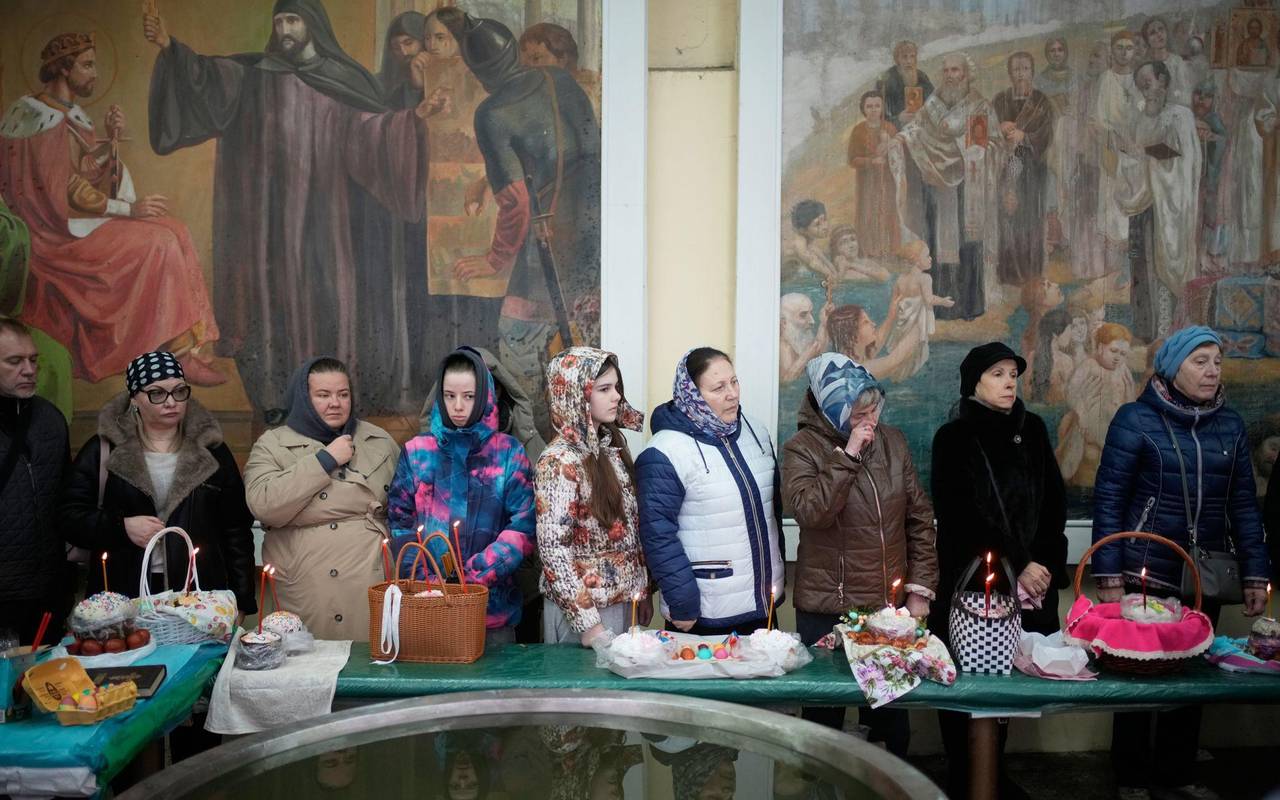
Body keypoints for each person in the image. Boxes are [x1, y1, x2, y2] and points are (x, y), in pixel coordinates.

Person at [145, 0, 431, 418]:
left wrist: (411, 119)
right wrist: (171, 46)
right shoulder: (254, 75)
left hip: (329, 221)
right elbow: (207, 79)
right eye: (280, 20)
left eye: (293, 19)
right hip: (270, 222)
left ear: (312, 25)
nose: (285, 29)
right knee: (271, 303)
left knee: (332, 299)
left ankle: (335, 401)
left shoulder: (344, 79)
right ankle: (278, 399)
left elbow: (371, 135)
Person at [1092, 326, 1269, 798]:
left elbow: (1244, 506)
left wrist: (1256, 572)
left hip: (1203, 575)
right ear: (1173, 367)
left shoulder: (1229, 425)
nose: (1212, 371)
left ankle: (1177, 773)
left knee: (1193, 673)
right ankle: (1130, 776)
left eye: (1217, 361)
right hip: (1144, 572)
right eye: (1200, 361)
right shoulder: (1135, 420)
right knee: (1137, 676)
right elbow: (1109, 499)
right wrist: (1107, 575)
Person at [0, 32, 224, 387]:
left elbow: (84, 174)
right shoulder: (38, 119)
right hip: (52, 233)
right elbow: (65, 191)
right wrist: (129, 209)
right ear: (62, 68)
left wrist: (109, 139)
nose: (95, 73)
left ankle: (193, 347)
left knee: (176, 229)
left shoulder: (69, 114)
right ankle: (177, 354)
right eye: (87, 64)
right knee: (158, 241)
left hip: (72, 219)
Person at [445, 12, 602, 441]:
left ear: (478, 73)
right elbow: (567, 152)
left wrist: (494, 260)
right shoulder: (559, 80)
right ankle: (587, 439)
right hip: (597, 222)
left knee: (516, 341)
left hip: (551, 237)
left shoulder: (492, 112)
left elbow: (515, 202)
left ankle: (540, 445)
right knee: (589, 338)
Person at [929, 342, 1067, 799]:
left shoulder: (1035, 430)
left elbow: (1054, 504)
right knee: (967, 676)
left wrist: (1043, 562)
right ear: (974, 384)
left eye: (1013, 374)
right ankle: (964, 775)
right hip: (973, 583)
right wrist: (1018, 562)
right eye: (997, 375)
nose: (1009, 383)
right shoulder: (954, 438)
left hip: (1031, 581)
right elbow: (962, 515)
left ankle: (993, 770)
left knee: (1008, 678)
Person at [782, 353, 937, 757]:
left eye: (874, 411)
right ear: (833, 410)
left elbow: (919, 519)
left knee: (890, 730)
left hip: (885, 610)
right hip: (825, 609)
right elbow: (811, 513)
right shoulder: (801, 449)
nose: (870, 422)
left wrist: (920, 590)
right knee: (823, 728)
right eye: (858, 414)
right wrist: (848, 456)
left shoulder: (894, 441)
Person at [61, 352, 256, 614]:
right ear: (134, 399)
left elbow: (236, 530)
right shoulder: (104, 450)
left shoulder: (212, 451)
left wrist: (241, 600)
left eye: (179, 391)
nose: (171, 402)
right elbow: (68, 517)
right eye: (157, 393)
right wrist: (121, 527)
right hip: (122, 592)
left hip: (198, 592)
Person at [243, 357, 400, 640]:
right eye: (323, 395)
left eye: (343, 394)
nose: (335, 403)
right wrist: (324, 461)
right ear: (304, 399)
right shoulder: (272, 444)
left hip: (370, 576)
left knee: (372, 667)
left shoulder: (379, 441)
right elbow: (263, 504)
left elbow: (404, 507)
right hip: (306, 584)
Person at [388, 347, 536, 645]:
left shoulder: (508, 453)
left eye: (468, 396)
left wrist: (477, 574)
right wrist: (430, 579)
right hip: (428, 606)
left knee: (492, 690)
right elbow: (400, 522)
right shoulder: (418, 452)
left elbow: (523, 525)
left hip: (492, 610)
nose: (458, 406)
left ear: (484, 396)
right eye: (449, 395)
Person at [636, 348, 784, 636]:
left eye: (734, 382)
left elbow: (771, 511)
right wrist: (682, 602)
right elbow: (657, 533)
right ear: (692, 394)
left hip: (761, 606)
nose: (732, 394)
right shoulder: (664, 451)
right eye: (718, 387)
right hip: (704, 612)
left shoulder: (756, 431)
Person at [535, 347, 650, 646]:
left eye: (616, 388)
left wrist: (641, 592)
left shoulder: (610, 449)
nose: (616, 397)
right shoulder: (559, 461)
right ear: (576, 393)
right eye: (604, 389)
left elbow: (628, 531)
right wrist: (588, 625)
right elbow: (553, 550)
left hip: (620, 605)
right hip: (585, 616)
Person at [897, 52, 999, 320]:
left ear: (966, 73)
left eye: (956, 70)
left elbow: (993, 143)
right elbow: (916, 132)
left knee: (968, 241)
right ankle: (939, 310)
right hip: (935, 184)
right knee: (936, 242)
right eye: (946, 71)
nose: (951, 75)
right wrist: (901, 138)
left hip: (968, 185)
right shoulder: (931, 105)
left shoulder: (979, 106)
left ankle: (969, 306)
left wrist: (975, 148)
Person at [1117, 60, 1201, 341]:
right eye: (1141, 86)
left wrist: (1142, 152)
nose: (1146, 91)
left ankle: (1169, 330)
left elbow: (1181, 158)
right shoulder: (1141, 118)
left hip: (1170, 204)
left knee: (1164, 263)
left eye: (1149, 83)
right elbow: (1134, 156)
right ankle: (1145, 330)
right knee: (1140, 262)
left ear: (1164, 81)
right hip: (1143, 202)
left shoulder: (1180, 116)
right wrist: (1130, 155)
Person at [0, 320, 69, 644]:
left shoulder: (51, 421)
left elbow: (66, 500)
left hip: (46, 595)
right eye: (14, 361)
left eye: (33, 359)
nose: (29, 370)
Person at [994, 52, 1055, 291]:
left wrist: (1025, 137)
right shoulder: (1000, 100)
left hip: (1032, 169)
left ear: (1032, 71)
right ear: (1010, 73)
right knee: (1008, 217)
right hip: (1006, 167)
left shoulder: (1041, 102)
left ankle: (1031, 274)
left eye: (1025, 68)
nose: (1021, 73)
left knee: (1030, 218)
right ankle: (1009, 275)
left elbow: (1047, 135)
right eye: (1016, 69)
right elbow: (985, 130)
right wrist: (999, 129)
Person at [1056, 323, 1137, 487]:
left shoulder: (1123, 370)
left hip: (1114, 427)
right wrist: (1081, 409)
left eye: (1122, 354)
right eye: (1113, 351)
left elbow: (1130, 400)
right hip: (1088, 426)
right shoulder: (1089, 366)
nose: (1117, 358)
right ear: (1100, 347)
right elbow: (1071, 392)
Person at [880, 240, 953, 381]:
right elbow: (929, 299)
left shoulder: (900, 279)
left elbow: (893, 305)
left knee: (901, 349)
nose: (931, 258)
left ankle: (898, 376)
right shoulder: (924, 278)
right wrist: (944, 301)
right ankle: (907, 377)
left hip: (902, 322)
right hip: (916, 323)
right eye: (927, 256)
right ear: (916, 260)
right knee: (915, 352)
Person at [847, 91, 902, 258]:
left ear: (882, 107)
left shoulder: (890, 128)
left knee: (888, 213)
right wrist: (871, 162)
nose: (873, 110)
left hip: (887, 181)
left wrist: (890, 144)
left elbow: (899, 155)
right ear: (863, 109)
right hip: (867, 182)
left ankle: (890, 251)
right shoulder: (858, 130)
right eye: (869, 106)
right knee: (868, 214)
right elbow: (852, 159)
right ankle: (868, 252)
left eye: (877, 106)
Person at [779, 293, 832, 382]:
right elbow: (786, 381)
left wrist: (824, 323)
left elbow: (817, 351)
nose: (812, 321)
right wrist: (807, 355)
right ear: (784, 323)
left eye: (810, 313)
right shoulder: (784, 348)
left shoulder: (796, 341)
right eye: (803, 315)